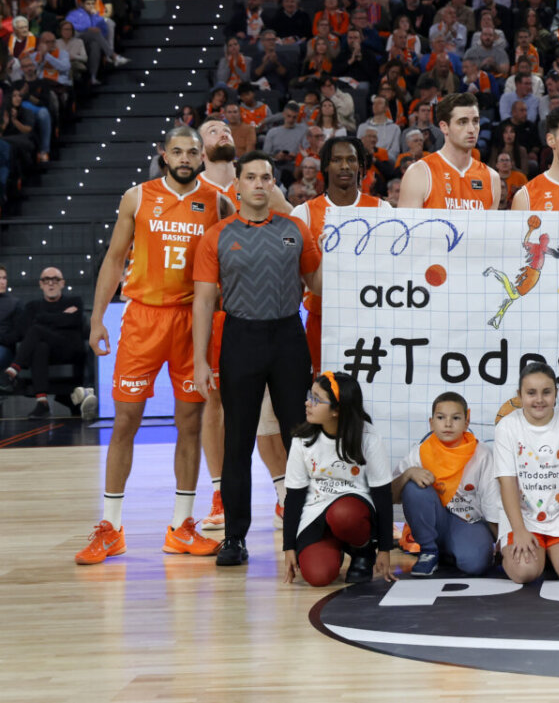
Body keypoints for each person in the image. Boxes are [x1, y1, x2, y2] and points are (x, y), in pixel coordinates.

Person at [74, 127, 230, 564]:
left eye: (192, 152)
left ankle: (182, 526)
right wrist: (97, 317)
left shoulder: (217, 201)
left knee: (191, 424)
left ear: (202, 157)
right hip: (142, 317)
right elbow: (114, 257)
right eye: (177, 151)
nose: (184, 158)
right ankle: (111, 527)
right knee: (125, 422)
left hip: (192, 323)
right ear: (164, 155)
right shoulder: (137, 197)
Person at [193, 151, 321, 567]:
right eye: (252, 177)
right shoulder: (217, 236)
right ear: (238, 186)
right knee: (238, 444)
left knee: (300, 440)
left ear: (274, 185)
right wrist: (199, 361)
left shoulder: (295, 229)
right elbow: (203, 301)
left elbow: (320, 284)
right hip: (241, 338)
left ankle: (307, 531)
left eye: (267, 177)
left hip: (288, 335)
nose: (260, 184)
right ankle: (234, 537)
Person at [282, 372, 394, 586]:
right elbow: (294, 497)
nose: (307, 403)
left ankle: (362, 551)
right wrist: (289, 547)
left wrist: (385, 549)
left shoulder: (368, 438)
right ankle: (335, 548)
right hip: (316, 512)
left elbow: (382, 496)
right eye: (309, 395)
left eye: (316, 399)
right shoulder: (302, 440)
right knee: (318, 577)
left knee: (343, 515)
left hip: (353, 512)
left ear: (337, 410)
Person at [291, 137, 383, 373]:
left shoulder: (383, 211)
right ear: (325, 167)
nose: (344, 166)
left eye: (351, 160)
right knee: (324, 393)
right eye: (337, 160)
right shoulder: (304, 213)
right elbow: (294, 275)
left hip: (369, 318)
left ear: (361, 167)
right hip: (321, 319)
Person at [493, 362, 559, 584]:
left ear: (556, 393)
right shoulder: (507, 427)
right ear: (519, 395)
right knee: (524, 572)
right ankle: (514, 550)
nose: (539, 399)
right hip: (523, 516)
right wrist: (518, 530)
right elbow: (507, 483)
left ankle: (550, 554)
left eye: (546, 392)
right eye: (531, 393)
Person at [393, 392, 499, 576]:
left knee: (476, 564)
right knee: (413, 486)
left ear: (467, 422)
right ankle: (428, 550)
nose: (448, 424)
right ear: (431, 422)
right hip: (434, 521)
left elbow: (492, 507)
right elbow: (391, 496)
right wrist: (408, 474)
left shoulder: (482, 454)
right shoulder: (419, 453)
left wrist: (500, 545)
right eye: (441, 417)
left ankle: (450, 552)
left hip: (468, 522)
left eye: (456, 418)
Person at [0, 265, 91, 419]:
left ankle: (13, 371)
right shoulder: (32, 306)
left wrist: (42, 318)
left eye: (55, 279)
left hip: (70, 349)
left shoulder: (75, 301)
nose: (51, 283)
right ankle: (42, 402)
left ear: (62, 283)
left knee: (36, 330)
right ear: (40, 284)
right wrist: (61, 318)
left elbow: (73, 321)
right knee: (40, 346)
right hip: (48, 352)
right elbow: (24, 330)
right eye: (46, 280)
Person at [395, 93, 502, 211]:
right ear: (444, 127)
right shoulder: (419, 173)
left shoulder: (492, 178)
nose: (472, 129)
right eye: (462, 122)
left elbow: (490, 229)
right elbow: (408, 228)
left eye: (475, 121)